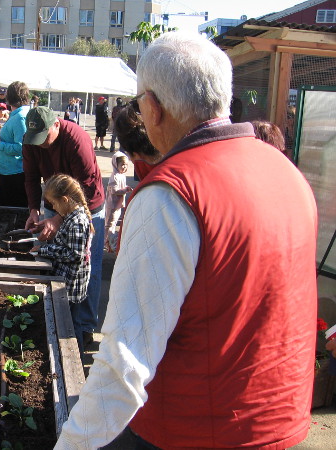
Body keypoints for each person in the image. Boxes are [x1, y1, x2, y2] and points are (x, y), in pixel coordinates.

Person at [54, 32, 318, 450]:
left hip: (195, 430)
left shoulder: (171, 194)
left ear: (154, 108)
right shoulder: (285, 172)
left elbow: (124, 363)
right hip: (281, 421)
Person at [22, 106, 105, 350]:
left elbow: (86, 187)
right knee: (60, 267)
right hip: (55, 202)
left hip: (87, 206)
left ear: (56, 124)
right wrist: (34, 211)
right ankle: (60, 318)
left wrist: (59, 218)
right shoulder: (32, 140)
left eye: (44, 138)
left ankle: (84, 327)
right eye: (35, 140)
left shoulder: (77, 139)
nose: (41, 145)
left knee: (87, 269)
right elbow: (29, 178)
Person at [31, 174, 93, 352]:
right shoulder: (71, 215)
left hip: (72, 285)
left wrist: (43, 250)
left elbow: (74, 254)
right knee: (70, 323)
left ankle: (77, 359)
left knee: (71, 326)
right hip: (68, 280)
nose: (55, 209)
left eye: (55, 204)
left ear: (65, 199)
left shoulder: (78, 221)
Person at [0, 81, 30, 207]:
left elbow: (22, 148)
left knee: (11, 210)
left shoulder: (20, 117)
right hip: (11, 173)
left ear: (9, 97)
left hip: (13, 174)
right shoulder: (18, 115)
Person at [104, 152, 132, 252]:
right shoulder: (114, 176)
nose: (124, 167)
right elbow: (114, 191)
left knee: (114, 223)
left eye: (126, 165)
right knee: (110, 224)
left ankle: (109, 242)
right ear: (116, 165)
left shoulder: (122, 176)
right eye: (122, 165)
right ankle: (107, 242)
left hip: (118, 205)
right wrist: (125, 190)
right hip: (112, 205)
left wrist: (125, 188)